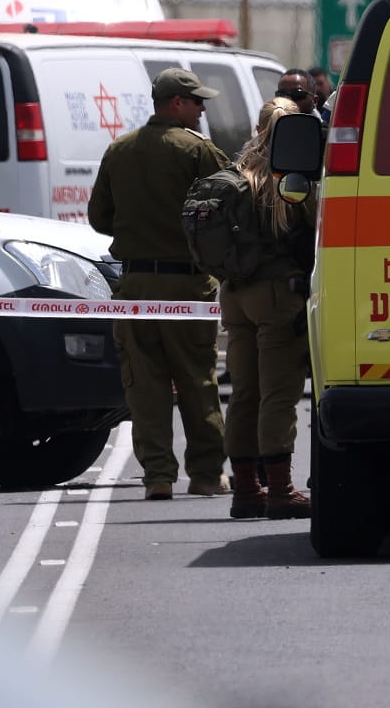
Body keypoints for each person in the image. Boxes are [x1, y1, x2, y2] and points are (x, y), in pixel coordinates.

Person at [87, 68, 231, 500]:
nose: (202, 109)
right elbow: (230, 208)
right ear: (175, 103)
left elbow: (99, 218)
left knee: (144, 386)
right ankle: (206, 475)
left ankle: (158, 477)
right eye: (196, 102)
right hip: (187, 286)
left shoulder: (120, 150)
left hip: (134, 288)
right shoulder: (198, 151)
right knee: (197, 381)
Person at [222, 98, 317, 520]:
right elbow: (316, 228)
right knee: (279, 396)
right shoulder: (289, 179)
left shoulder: (236, 173)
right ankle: (280, 490)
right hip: (276, 297)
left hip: (234, 294)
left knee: (243, 394)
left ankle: (246, 490)